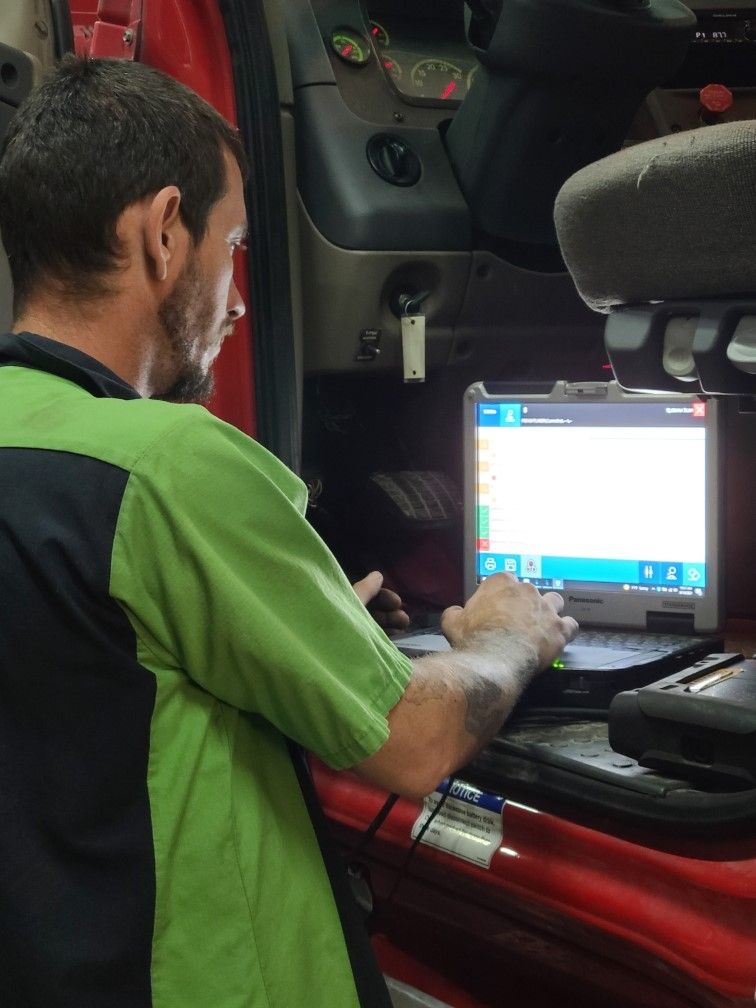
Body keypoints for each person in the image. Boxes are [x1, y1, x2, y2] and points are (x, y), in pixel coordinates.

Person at [0, 56, 578, 1008]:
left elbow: (79, 673)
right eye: (231, 250)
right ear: (163, 232)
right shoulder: (169, 463)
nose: (235, 300)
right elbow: (412, 741)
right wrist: (509, 637)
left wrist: (292, 624)